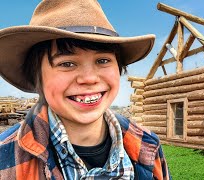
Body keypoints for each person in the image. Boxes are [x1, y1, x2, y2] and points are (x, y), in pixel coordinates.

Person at [0, 0, 170, 179]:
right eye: (67, 63)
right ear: (37, 77)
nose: (89, 78)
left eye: (103, 60)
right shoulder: (6, 159)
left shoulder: (148, 144)